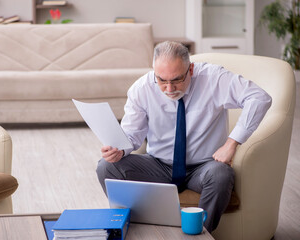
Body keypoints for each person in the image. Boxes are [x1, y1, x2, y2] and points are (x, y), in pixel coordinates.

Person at [96, 41, 272, 232]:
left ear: (191, 69)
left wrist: (232, 143)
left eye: (177, 80)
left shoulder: (214, 78)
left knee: (221, 174)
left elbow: (259, 97)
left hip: (204, 166)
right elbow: (132, 134)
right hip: (159, 165)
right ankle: (141, 229)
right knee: (107, 167)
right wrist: (119, 149)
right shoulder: (141, 89)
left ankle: (198, 233)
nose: (169, 89)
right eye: (162, 80)